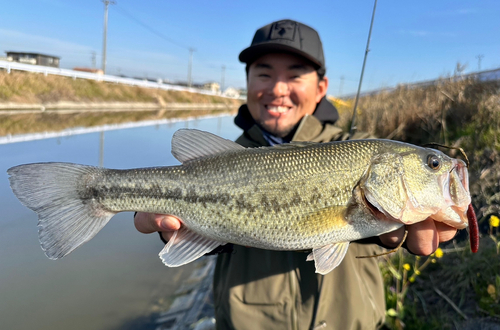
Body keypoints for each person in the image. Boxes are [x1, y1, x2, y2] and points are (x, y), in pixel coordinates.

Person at [134, 19, 458, 329]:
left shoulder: (353, 150)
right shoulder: (223, 159)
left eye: (295, 75)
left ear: (321, 88)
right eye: (263, 73)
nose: (277, 88)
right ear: (247, 83)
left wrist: (394, 235)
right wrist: (174, 228)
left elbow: (370, 228)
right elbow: (200, 231)